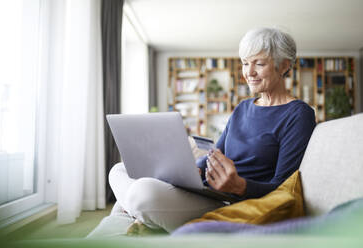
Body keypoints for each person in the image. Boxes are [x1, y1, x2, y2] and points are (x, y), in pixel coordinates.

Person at [108, 27, 316, 234]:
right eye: (245, 63)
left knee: (142, 193)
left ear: (284, 66)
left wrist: (240, 186)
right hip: (205, 189)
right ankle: (149, 218)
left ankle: (144, 216)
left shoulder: (298, 115)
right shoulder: (243, 108)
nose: (249, 73)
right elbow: (215, 153)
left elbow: (282, 188)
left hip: (230, 201)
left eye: (259, 64)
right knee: (119, 170)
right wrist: (191, 169)